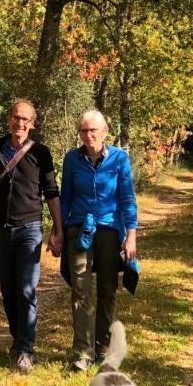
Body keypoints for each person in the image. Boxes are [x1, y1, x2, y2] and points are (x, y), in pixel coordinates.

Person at [0, 100, 63, 374]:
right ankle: (18, 338)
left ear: (32, 123)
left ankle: (25, 349)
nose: (19, 123)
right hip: (0, 230)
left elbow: (51, 193)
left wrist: (57, 229)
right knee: (9, 291)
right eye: (15, 117)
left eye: (25, 119)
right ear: (9, 118)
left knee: (26, 289)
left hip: (30, 229)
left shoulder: (41, 153)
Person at [59, 109, 138, 372]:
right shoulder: (71, 159)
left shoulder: (119, 159)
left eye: (93, 130)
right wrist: (57, 230)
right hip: (79, 230)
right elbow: (66, 197)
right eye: (83, 130)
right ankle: (83, 352)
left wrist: (131, 236)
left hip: (110, 230)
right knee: (80, 290)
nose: (88, 135)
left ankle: (103, 347)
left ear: (104, 132)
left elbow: (127, 199)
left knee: (107, 290)